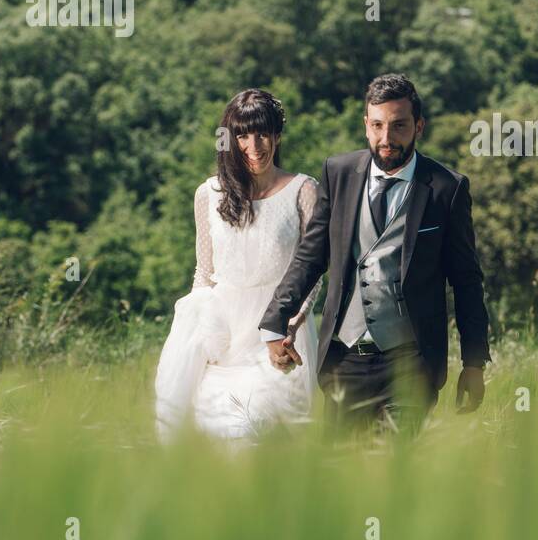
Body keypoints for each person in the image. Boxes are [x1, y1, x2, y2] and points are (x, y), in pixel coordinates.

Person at [259, 73, 490, 436]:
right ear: (366, 125)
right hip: (344, 357)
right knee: (341, 475)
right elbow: (311, 256)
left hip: (411, 361)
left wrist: (474, 363)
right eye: (378, 126)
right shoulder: (339, 173)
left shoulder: (447, 188)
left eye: (399, 126)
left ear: (419, 126)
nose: (387, 139)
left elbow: (466, 281)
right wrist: (275, 321)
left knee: (393, 472)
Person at [154, 89, 323, 441]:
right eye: (243, 135)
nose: (254, 145)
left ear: (277, 135)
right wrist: (203, 329)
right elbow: (203, 271)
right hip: (223, 338)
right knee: (209, 431)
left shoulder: (304, 190)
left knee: (256, 429)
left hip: (277, 331)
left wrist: (290, 325)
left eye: (263, 133)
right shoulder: (208, 194)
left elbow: (314, 271)